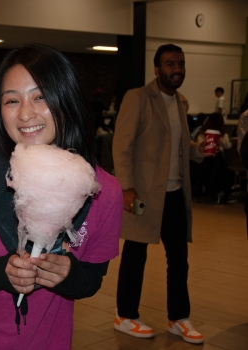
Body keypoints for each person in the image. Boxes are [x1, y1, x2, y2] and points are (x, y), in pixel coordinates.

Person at [0, 44, 122, 350]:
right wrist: (0, 271)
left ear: (66, 98)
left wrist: (69, 275)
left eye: (40, 97)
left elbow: (92, 279)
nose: (26, 114)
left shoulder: (103, 191)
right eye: (12, 100)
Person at [112, 44, 206, 344]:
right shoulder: (138, 98)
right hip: (143, 196)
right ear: (157, 69)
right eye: (169, 64)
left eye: (180, 63)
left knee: (179, 259)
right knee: (135, 255)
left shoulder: (181, 102)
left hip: (175, 195)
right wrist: (126, 187)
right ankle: (125, 315)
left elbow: (174, 147)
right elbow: (121, 145)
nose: (176, 69)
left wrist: (198, 151)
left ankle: (178, 318)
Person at [194, 113, 233, 201]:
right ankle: (217, 191)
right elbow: (228, 149)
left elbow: (195, 146)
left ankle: (206, 189)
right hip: (217, 168)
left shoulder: (201, 133)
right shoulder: (223, 135)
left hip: (201, 166)